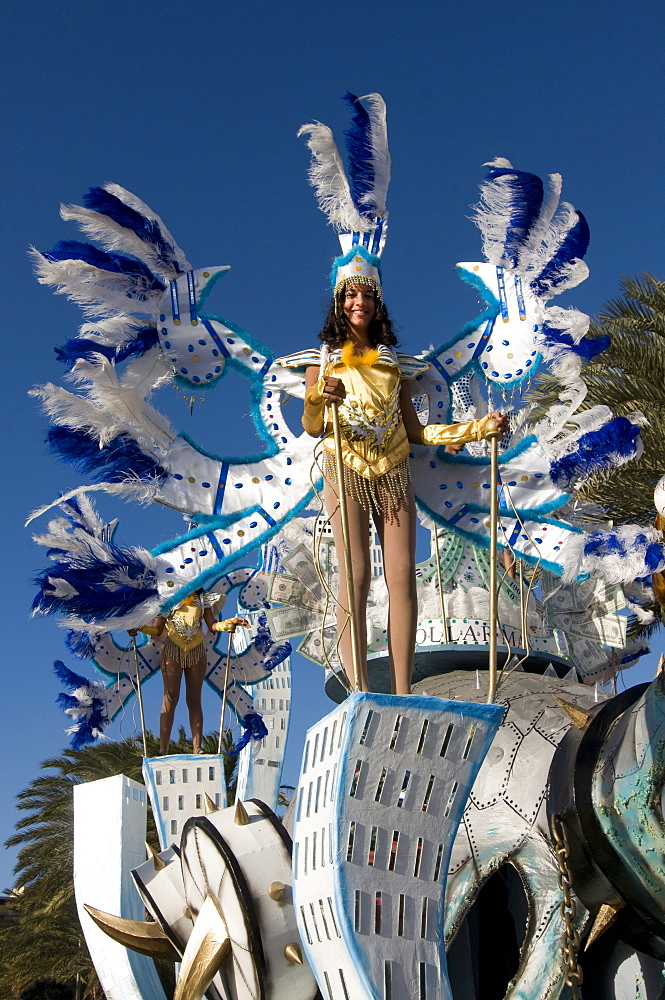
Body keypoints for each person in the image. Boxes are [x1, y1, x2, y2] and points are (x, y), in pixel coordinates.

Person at [281, 280, 508, 696]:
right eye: (350, 296)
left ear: (377, 305)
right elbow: (312, 427)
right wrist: (317, 398)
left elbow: (416, 431)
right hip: (344, 466)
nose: (359, 303)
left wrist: (477, 428)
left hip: (393, 468)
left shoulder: (396, 367)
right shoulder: (322, 364)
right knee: (355, 576)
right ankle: (360, 690)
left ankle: (403, 692)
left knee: (402, 575)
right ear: (338, 304)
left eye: (367, 296)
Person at [128, 590, 248, 754]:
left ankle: (197, 747)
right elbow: (157, 630)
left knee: (194, 699)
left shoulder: (202, 598)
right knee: (169, 698)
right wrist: (140, 628)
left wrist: (229, 623)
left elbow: (211, 626)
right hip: (172, 651)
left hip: (196, 651)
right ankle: (163, 749)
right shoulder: (169, 598)